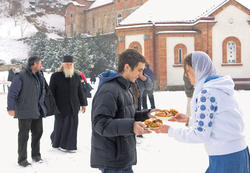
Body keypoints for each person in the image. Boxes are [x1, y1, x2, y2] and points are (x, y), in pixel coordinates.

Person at [151, 51, 250, 173]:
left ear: (198, 69)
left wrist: (169, 130)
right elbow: (221, 122)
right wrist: (189, 120)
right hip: (240, 153)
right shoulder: (220, 87)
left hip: (225, 158)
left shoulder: (206, 93)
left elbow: (200, 134)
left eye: (188, 71)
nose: (186, 75)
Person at [91, 49, 158, 173]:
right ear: (127, 67)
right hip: (112, 160)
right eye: (139, 70)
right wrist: (131, 126)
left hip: (123, 157)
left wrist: (147, 114)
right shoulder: (109, 90)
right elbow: (101, 124)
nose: (141, 74)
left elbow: (127, 115)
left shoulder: (126, 87)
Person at [7, 56, 47, 167]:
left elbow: (43, 91)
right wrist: (10, 108)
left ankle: (36, 155)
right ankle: (22, 159)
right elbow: (12, 93)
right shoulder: (21, 76)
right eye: (40, 63)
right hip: (25, 110)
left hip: (37, 109)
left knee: (38, 132)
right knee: (24, 136)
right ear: (34, 64)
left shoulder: (40, 75)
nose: (41, 65)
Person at [50, 55, 87, 152]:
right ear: (63, 64)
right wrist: (52, 106)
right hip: (60, 106)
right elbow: (51, 93)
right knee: (60, 126)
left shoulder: (76, 76)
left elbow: (80, 91)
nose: (69, 66)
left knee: (73, 126)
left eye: (71, 64)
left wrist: (83, 104)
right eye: (67, 64)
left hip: (74, 106)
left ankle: (69, 146)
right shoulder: (55, 76)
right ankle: (58, 142)